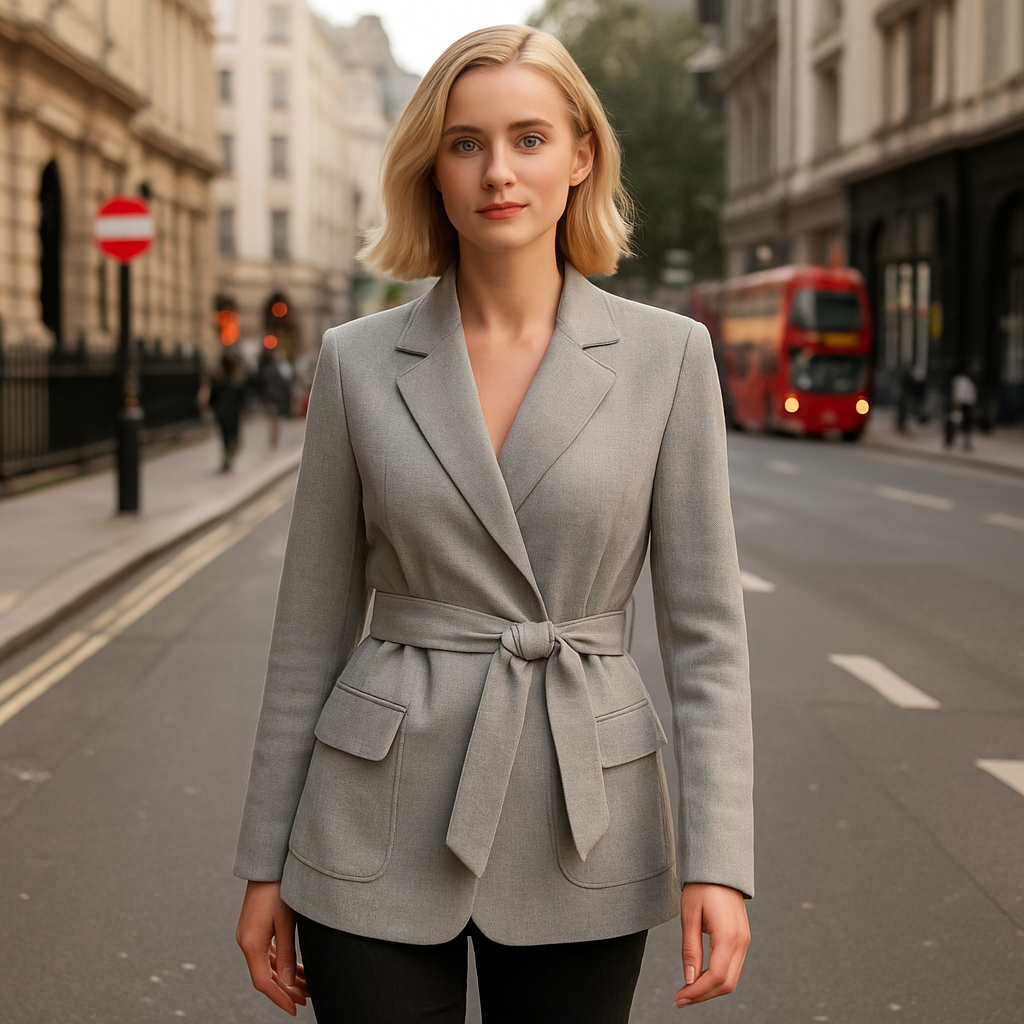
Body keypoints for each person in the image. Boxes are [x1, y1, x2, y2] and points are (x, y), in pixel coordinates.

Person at [234, 25, 753, 1023]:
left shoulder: (668, 358)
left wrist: (720, 861)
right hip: (369, 812)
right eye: (465, 142)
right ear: (433, 166)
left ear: (579, 155)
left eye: (527, 138)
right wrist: (264, 860)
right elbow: (307, 633)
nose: (497, 171)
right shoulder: (355, 359)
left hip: (582, 814)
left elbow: (707, 640)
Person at [207, 349, 246, 472]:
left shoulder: (218, 380)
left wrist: (213, 409)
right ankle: (228, 459)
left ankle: (227, 460)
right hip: (232, 414)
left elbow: (212, 399)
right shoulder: (237, 381)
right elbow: (243, 400)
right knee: (233, 438)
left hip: (222, 413)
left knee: (225, 438)